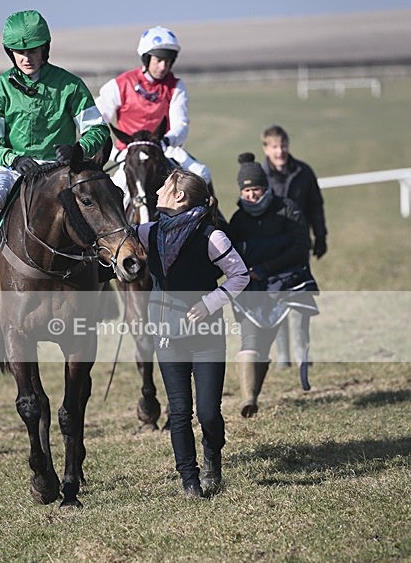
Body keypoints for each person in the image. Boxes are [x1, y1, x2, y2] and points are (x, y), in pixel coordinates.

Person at [0, 10, 110, 291]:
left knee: (103, 196)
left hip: (62, 169)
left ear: (45, 48)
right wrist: (14, 158)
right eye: (18, 52)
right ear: (10, 53)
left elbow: (98, 130)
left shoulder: (70, 86)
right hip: (14, 169)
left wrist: (78, 150)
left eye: (32, 50)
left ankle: (107, 261)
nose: (26, 58)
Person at [135, 169, 248, 498]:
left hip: (207, 334)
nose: (157, 191)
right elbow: (112, 238)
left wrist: (212, 302)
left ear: (179, 196)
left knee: (209, 413)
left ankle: (213, 457)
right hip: (167, 333)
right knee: (179, 411)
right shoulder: (147, 232)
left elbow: (240, 275)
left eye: (164, 186)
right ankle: (189, 480)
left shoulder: (212, 236)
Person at [228, 153, 319, 418]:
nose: (251, 195)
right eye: (246, 190)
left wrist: (264, 269)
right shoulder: (238, 220)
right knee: (250, 340)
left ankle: (253, 395)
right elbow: (232, 254)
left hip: (282, 285)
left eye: (255, 188)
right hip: (251, 289)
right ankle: (248, 399)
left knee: (264, 345)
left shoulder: (288, 209)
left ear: (265, 187)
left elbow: (300, 248)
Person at [95, 26, 212, 197]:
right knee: (112, 197)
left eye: (168, 60)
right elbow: (96, 122)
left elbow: (181, 124)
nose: (163, 66)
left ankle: (217, 222)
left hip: (165, 150)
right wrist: (114, 154)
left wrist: (166, 141)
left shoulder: (177, 86)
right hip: (130, 155)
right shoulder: (119, 85)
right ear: (146, 58)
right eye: (158, 60)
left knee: (203, 174)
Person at [260, 125, 327, 368]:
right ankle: (283, 357)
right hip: (271, 248)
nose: (280, 151)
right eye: (275, 147)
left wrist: (320, 236)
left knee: (300, 298)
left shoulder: (303, 172)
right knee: (276, 300)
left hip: (299, 246)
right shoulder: (260, 176)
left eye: (283, 145)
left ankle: (302, 354)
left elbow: (315, 207)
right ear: (266, 148)